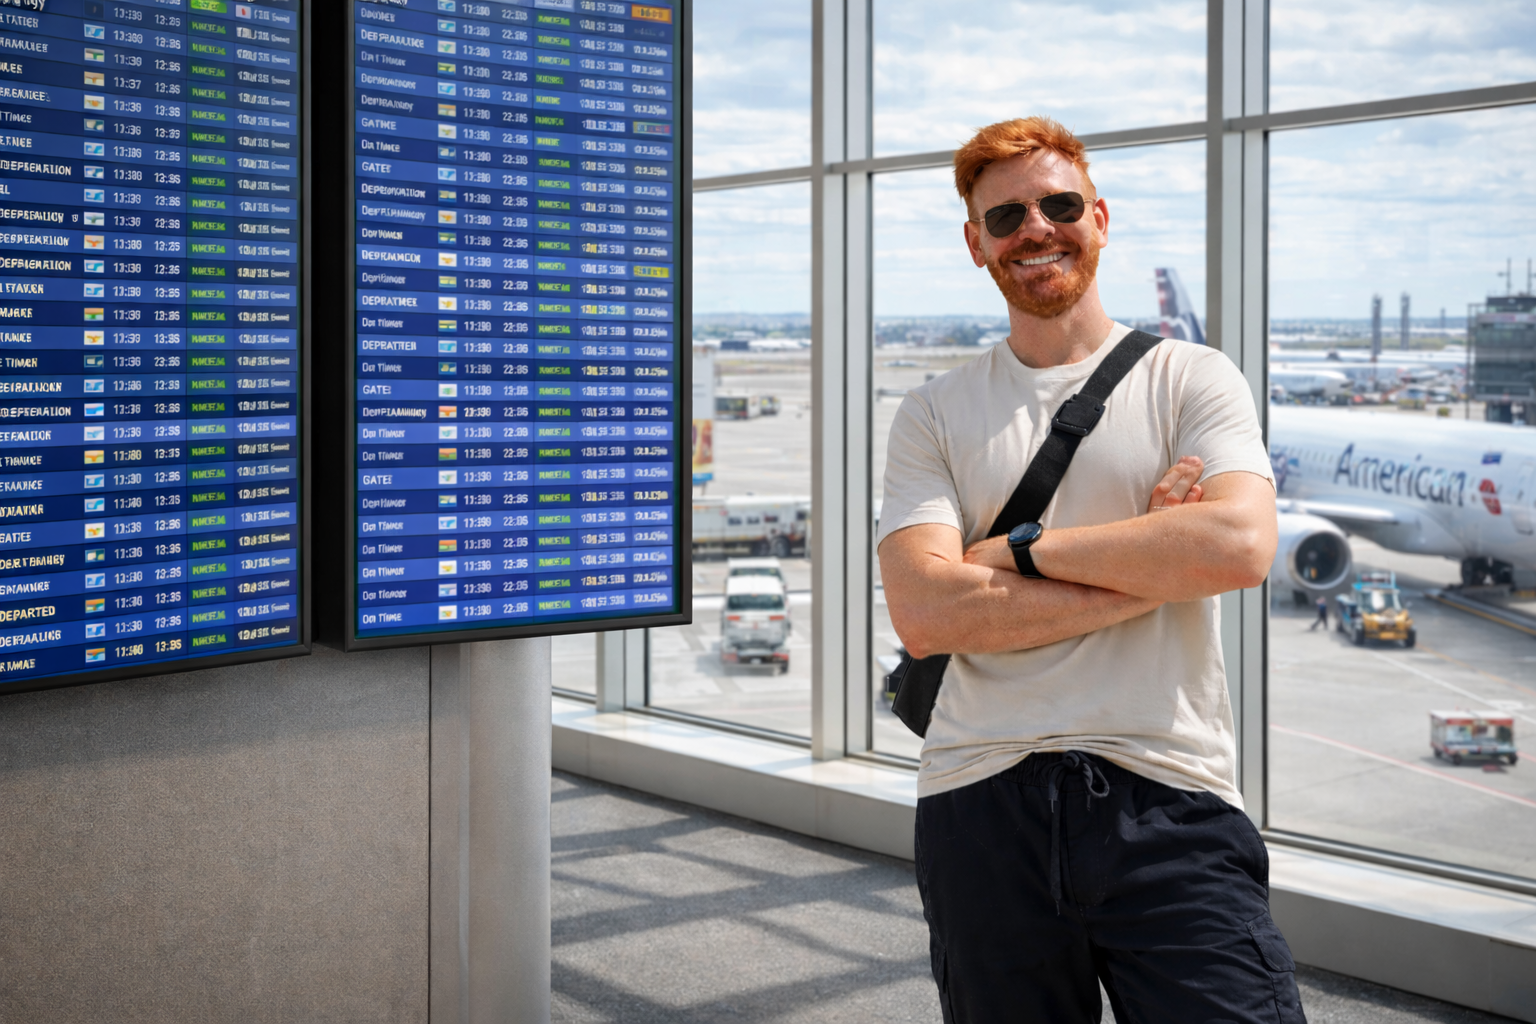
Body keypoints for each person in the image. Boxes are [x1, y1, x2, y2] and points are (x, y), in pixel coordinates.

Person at [876, 117, 1303, 1023]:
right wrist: (1153, 558)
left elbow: (1238, 547)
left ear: (1099, 218)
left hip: (1168, 791)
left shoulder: (1191, 378)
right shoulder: (933, 412)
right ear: (976, 244)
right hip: (978, 800)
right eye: (1006, 217)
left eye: (1059, 204)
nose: (1036, 227)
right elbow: (924, 611)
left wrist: (1015, 554)